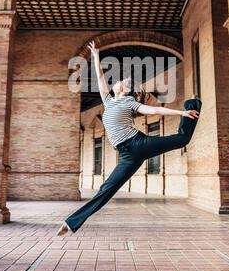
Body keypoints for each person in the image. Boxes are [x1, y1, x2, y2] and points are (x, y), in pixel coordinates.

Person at [57, 40, 201, 235]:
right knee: (107, 188)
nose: (116, 82)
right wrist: (96, 55)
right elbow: (100, 77)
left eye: (121, 82)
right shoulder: (108, 102)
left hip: (138, 143)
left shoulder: (129, 102)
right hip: (127, 155)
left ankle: (191, 106)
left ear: (124, 90)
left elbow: (153, 109)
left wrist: (181, 114)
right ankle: (71, 223)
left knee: (182, 139)